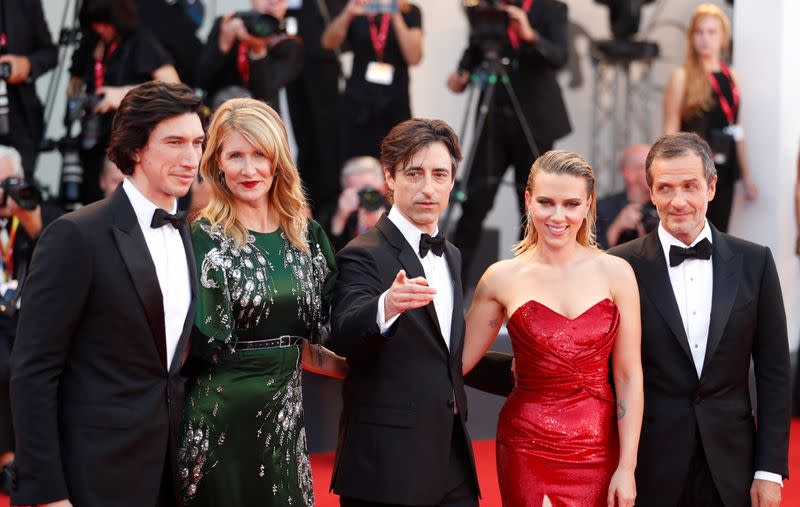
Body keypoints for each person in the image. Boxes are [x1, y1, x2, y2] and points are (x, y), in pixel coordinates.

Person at [10, 81, 203, 507]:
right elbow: (34, 371)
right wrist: (48, 492)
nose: (191, 158)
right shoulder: (76, 236)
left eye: (197, 142)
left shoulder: (189, 233)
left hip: (168, 475)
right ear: (135, 149)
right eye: (174, 142)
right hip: (91, 477)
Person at [178, 97, 346, 506]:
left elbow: (309, 344)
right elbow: (191, 348)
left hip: (285, 420)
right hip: (218, 416)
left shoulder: (306, 238)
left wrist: (372, 373)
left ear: (278, 160)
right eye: (235, 155)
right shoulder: (201, 240)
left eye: (259, 154)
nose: (249, 169)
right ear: (216, 162)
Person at [609, 132, 790, 507]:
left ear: (711, 187)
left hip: (732, 466)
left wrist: (769, 471)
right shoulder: (618, 265)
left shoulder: (755, 262)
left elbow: (774, 373)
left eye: (690, 186)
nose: (678, 201)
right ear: (651, 192)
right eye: (666, 188)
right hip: (649, 467)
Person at [462, 150, 643, 507]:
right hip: (527, 444)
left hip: (599, 444)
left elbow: (628, 375)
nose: (558, 216)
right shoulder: (501, 277)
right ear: (528, 200)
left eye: (571, 204)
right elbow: (457, 362)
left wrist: (627, 466)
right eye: (546, 202)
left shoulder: (617, 273)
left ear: (588, 204)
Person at [328, 118, 480, 506]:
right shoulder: (363, 252)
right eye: (414, 173)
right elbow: (343, 333)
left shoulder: (453, 255)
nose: (428, 188)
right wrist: (386, 305)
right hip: (386, 467)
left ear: (451, 182)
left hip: (452, 460)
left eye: (439, 174)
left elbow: (444, 353)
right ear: (389, 178)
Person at [449, 0, 572, 284]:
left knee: (532, 207)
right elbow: (475, 51)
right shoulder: (486, 8)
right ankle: (454, 288)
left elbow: (560, 56)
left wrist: (530, 34)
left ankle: (525, 289)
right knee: (474, 202)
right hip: (493, 120)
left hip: (535, 121)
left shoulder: (551, 9)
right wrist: (462, 74)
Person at [69, 0, 180, 205]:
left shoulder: (139, 40)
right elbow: (74, 82)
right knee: (91, 199)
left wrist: (122, 94)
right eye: (95, 24)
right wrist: (78, 101)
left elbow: (173, 86)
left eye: (104, 23)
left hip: (127, 136)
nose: (100, 28)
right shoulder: (92, 41)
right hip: (94, 136)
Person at [663, 3, 756, 233]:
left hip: (725, 167)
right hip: (692, 169)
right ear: (691, 37)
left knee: (720, 231)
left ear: (723, 37)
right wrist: (669, 172)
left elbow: (737, 128)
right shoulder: (682, 76)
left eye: (711, 32)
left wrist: (747, 176)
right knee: (691, 229)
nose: (705, 38)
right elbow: (670, 130)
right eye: (699, 32)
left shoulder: (731, 76)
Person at [0, 145, 61, 491]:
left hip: (33, 320)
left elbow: (57, 263)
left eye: (12, 181)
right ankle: (7, 460)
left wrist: (30, 219)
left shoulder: (45, 215)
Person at [321, 0, 423, 160]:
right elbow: (328, 42)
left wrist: (395, 14)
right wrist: (348, 14)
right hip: (358, 102)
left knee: (399, 159)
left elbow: (414, 57)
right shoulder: (358, 9)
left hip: (395, 101)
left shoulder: (410, 11)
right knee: (356, 160)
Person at [286, 0, 342, 217]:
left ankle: (328, 211)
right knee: (303, 136)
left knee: (327, 140)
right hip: (292, 55)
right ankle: (305, 204)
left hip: (324, 58)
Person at [197, 0, 303, 114]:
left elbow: (265, 94)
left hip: (261, 120)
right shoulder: (227, 24)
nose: (273, 2)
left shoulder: (288, 42)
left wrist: (258, 51)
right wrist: (224, 43)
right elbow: (202, 81)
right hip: (219, 113)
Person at [0, 0, 57, 178]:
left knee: (21, 186)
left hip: (20, 118)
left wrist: (26, 65)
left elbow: (50, 53)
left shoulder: (26, 3)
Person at [596, 144, 656, 249]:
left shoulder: (663, 206)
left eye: (656, 166)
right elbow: (591, 256)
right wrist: (617, 227)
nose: (654, 172)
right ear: (629, 173)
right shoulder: (602, 209)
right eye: (646, 166)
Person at [327, 155, 388, 251]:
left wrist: (386, 224)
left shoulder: (397, 208)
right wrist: (341, 217)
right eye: (356, 191)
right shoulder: (335, 211)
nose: (364, 196)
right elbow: (327, 254)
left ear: (383, 186)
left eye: (368, 189)